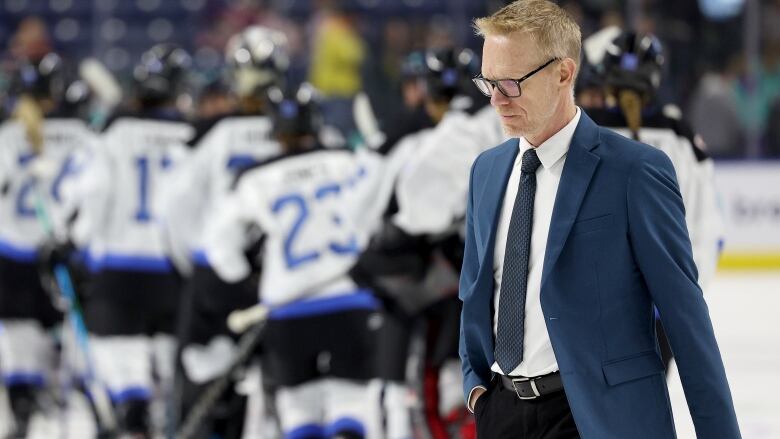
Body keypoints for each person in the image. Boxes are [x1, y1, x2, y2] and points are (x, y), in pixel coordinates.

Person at [460, 1, 741, 438]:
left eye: (511, 83)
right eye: (488, 82)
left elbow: (688, 324)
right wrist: (477, 387)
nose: (496, 99)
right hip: (502, 414)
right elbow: (477, 290)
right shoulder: (486, 170)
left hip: (598, 420)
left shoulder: (635, 171)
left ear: (563, 74)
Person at [202, 82, 381, 439]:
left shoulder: (254, 179)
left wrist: (247, 281)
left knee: (299, 414)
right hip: (349, 299)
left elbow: (218, 243)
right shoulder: (349, 160)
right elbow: (378, 214)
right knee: (351, 407)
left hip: (288, 308)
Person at [578, 28, 725, 372]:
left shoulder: (581, 134)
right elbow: (706, 226)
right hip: (665, 305)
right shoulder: (679, 135)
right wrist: (683, 297)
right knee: (643, 417)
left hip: (594, 306)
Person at [75, 44, 194, 436]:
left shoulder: (115, 132)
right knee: (168, 372)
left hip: (120, 265)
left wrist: (82, 245)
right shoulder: (193, 136)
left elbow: (93, 193)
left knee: (124, 368)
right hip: (172, 269)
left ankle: (132, 402)